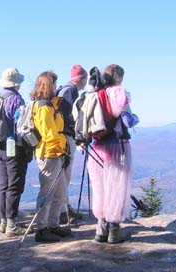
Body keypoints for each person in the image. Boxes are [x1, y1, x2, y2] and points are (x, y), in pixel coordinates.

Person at [88, 65, 132, 244]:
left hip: (97, 147)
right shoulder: (120, 93)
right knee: (116, 185)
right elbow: (128, 120)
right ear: (119, 78)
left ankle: (101, 230)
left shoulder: (95, 94)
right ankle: (114, 230)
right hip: (117, 145)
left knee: (100, 187)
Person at [31, 71, 72, 243]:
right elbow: (49, 133)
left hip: (55, 153)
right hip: (49, 154)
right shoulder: (44, 106)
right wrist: (61, 149)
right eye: (54, 83)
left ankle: (52, 225)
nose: (57, 86)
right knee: (47, 192)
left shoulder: (49, 105)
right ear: (49, 85)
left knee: (60, 191)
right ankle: (41, 229)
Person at [0, 68, 29, 237]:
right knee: (14, 184)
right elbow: (20, 126)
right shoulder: (16, 99)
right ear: (17, 83)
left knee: (4, 184)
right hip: (13, 146)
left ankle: (3, 222)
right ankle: (11, 225)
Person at [56, 64, 88, 224]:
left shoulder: (64, 89)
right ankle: (63, 212)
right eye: (86, 79)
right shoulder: (70, 92)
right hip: (65, 137)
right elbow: (65, 116)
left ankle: (65, 209)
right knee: (64, 175)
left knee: (63, 175)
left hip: (61, 137)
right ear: (81, 79)